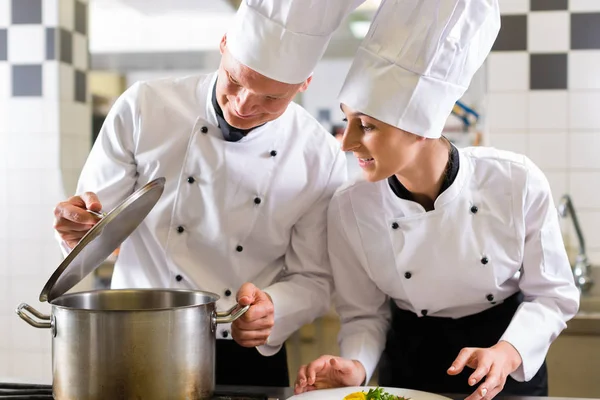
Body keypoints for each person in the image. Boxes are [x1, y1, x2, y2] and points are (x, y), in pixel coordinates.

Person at [52, 0, 360, 387]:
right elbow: (96, 228)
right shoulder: (144, 106)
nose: (244, 105)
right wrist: (77, 230)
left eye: (272, 98)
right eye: (236, 79)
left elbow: (314, 278)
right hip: (136, 337)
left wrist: (274, 309)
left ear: (305, 85)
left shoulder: (319, 153)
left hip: (245, 351)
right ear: (224, 43)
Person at [294, 0, 580, 398]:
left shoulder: (516, 182)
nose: (350, 142)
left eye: (368, 126)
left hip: (504, 367)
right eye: (348, 120)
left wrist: (508, 352)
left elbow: (552, 295)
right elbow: (364, 314)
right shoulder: (350, 208)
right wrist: (357, 367)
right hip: (408, 366)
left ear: (422, 127)